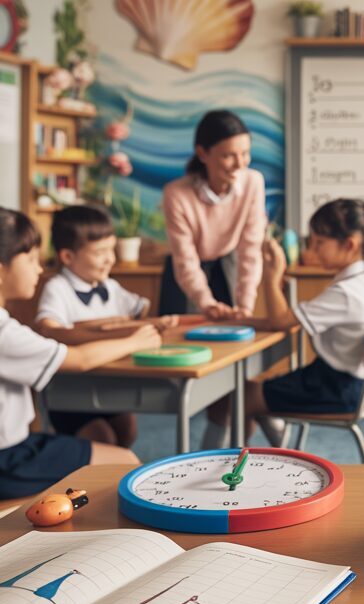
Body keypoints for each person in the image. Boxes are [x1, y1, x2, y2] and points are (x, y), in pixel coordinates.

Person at [0, 208, 160, 498]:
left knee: (121, 441)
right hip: (10, 459)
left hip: (19, 446)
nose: (39, 269)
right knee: (127, 464)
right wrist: (136, 342)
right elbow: (79, 358)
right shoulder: (3, 331)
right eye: (32, 259)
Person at [238, 199, 364, 444]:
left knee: (242, 397)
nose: (312, 249)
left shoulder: (346, 292)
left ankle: (228, 465)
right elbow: (281, 321)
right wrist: (245, 320)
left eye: (319, 242)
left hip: (338, 388)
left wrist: (271, 276)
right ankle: (278, 442)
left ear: (349, 245)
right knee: (251, 392)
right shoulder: (361, 280)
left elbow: (280, 321)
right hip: (358, 385)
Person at [160, 109, 267, 446]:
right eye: (229, 156)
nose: (239, 163)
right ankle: (204, 436)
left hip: (232, 261)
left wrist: (245, 304)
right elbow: (186, 260)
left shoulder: (253, 182)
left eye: (245, 154)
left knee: (239, 354)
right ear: (202, 153)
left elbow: (251, 249)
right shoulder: (177, 193)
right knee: (191, 356)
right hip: (189, 273)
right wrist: (205, 303)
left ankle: (228, 431)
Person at [35, 205, 177, 447]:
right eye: (100, 252)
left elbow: (138, 309)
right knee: (102, 438)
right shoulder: (57, 288)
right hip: (70, 392)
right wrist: (111, 329)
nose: (110, 258)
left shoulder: (108, 285)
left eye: (112, 249)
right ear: (67, 257)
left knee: (128, 430)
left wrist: (154, 322)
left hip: (111, 385)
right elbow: (48, 330)